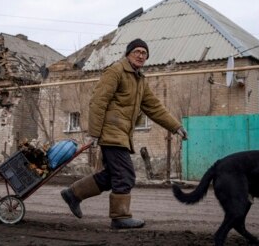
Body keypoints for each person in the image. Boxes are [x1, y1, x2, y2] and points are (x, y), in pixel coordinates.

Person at [61, 38, 188, 229]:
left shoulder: (139, 80)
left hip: (121, 135)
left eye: (144, 53)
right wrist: (94, 134)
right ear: (128, 53)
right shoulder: (115, 71)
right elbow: (98, 101)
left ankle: (73, 194)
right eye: (137, 51)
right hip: (111, 133)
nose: (140, 55)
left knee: (113, 176)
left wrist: (176, 127)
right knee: (125, 175)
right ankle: (120, 217)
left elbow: (154, 107)